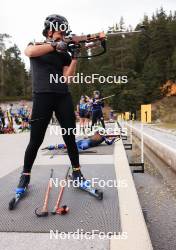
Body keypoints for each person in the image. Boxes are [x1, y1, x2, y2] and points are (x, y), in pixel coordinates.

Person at [15, 14, 86, 196]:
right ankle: (25, 175)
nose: (62, 35)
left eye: (64, 32)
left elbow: (67, 78)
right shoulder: (36, 46)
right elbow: (29, 53)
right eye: (59, 31)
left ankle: (77, 172)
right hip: (42, 96)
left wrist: (75, 58)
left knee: (70, 136)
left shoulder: (63, 54)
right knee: (36, 140)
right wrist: (55, 45)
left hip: (62, 96)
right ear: (49, 31)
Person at [42, 131, 118, 151]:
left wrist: (114, 138)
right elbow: (109, 143)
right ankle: (51, 147)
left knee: (69, 145)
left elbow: (109, 142)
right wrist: (114, 139)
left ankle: (50, 147)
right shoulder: (103, 137)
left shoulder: (100, 135)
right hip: (87, 142)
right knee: (78, 147)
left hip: (85, 141)